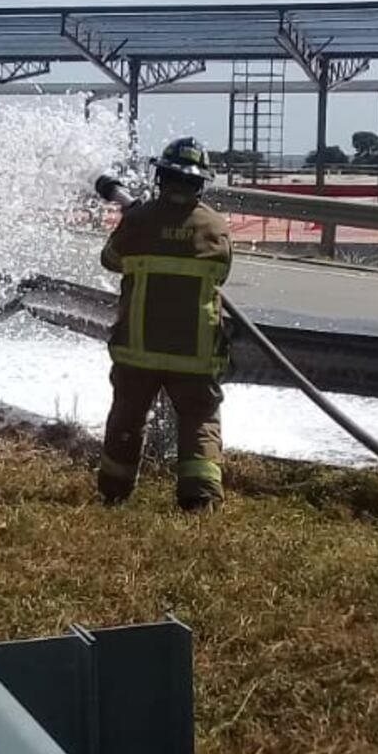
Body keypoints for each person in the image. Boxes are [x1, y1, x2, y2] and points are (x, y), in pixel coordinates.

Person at [97, 136, 232, 511]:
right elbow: (222, 272)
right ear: (200, 182)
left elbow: (110, 260)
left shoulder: (139, 220)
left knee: (127, 415)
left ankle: (113, 493)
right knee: (199, 419)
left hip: (138, 348)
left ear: (161, 177)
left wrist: (139, 222)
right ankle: (200, 500)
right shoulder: (216, 227)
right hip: (195, 352)